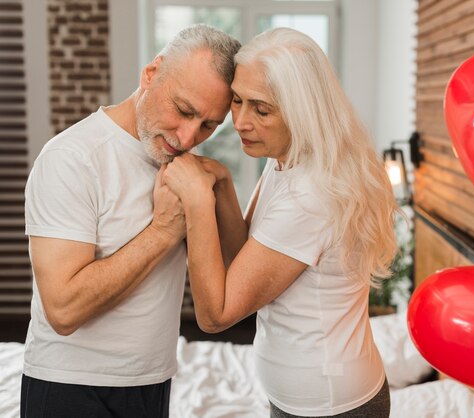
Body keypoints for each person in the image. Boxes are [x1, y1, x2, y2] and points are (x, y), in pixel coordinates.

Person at [162, 27, 399, 417]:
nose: (239, 121)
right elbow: (247, 261)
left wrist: (197, 201)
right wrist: (221, 183)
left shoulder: (309, 196)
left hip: (330, 405)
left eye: (261, 109)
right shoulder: (288, 159)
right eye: (237, 100)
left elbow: (216, 315)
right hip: (305, 398)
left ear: (302, 111)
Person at [21, 24, 240, 417]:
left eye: (208, 125)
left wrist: (222, 184)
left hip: (152, 384)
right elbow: (63, 311)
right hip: (71, 387)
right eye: (184, 110)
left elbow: (236, 281)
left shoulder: (185, 167)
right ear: (151, 74)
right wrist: (163, 231)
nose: (188, 136)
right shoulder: (71, 158)